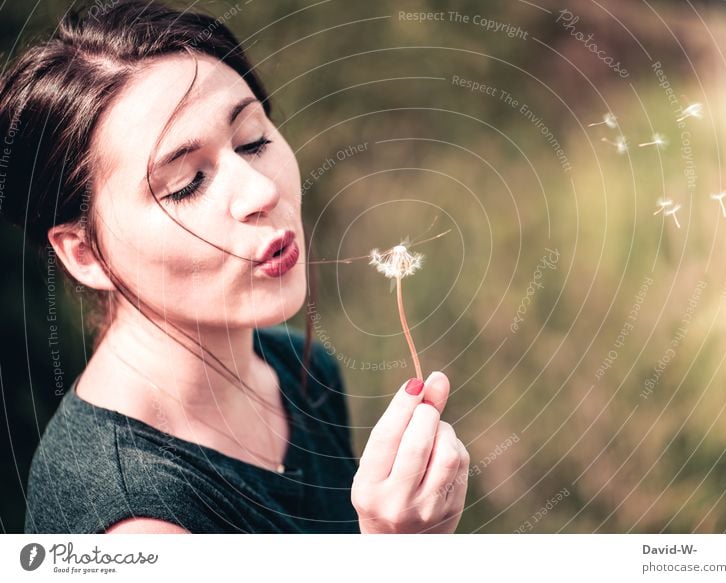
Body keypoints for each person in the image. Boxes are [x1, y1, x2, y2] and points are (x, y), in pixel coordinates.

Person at [0, 0, 469, 534]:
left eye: (254, 140)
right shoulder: (131, 517)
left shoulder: (303, 371)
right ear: (84, 253)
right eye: (186, 184)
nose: (261, 191)